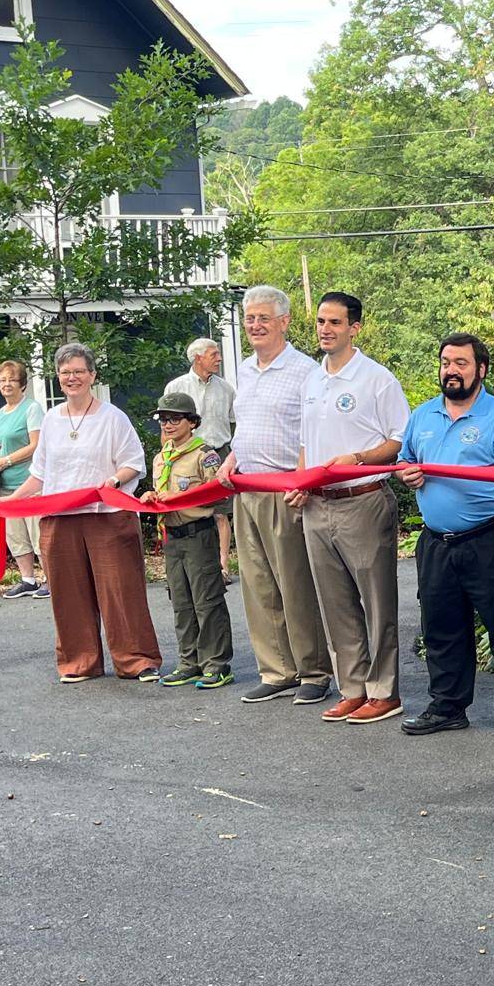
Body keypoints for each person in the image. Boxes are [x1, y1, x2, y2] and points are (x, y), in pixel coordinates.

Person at [396, 332, 494, 740]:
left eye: (461, 363)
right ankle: (447, 706)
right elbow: (406, 461)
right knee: (441, 627)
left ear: (481, 369)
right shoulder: (423, 416)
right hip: (436, 541)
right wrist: (408, 475)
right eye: (446, 362)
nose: (451, 370)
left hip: (487, 537)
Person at [3, 343, 162, 683]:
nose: (72, 377)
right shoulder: (51, 420)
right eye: (65, 373)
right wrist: (11, 500)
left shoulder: (113, 417)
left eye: (78, 371)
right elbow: (40, 474)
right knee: (68, 594)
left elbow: (134, 463)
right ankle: (79, 661)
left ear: (92, 375)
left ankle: (136, 659)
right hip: (61, 520)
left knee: (120, 591)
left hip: (107, 515)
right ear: (58, 379)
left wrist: (113, 480)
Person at [289, 292, 410, 725]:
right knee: (335, 604)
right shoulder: (311, 379)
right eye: (321, 321)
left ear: (354, 328)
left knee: (376, 601)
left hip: (363, 500)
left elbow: (400, 441)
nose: (325, 329)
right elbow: (305, 442)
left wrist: (358, 459)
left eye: (335, 322)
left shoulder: (377, 379)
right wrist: (301, 482)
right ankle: (353, 688)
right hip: (318, 507)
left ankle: (384, 691)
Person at [217, 284, 333, 707]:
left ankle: (314, 671)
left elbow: (316, 432)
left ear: (284, 321)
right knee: (258, 585)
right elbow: (246, 429)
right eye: (250, 318)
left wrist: (305, 479)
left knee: (295, 584)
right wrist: (232, 458)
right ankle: (277, 670)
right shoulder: (244, 370)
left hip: (287, 490)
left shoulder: (307, 371)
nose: (255, 325)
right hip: (246, 489)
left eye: (264, 317)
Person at [140, 391, 233, 689]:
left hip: (198, 535)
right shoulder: (160, 458)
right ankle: (189, 661)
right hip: (172, 538)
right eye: (162, 419)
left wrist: (179, 499)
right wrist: (151, 498)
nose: (167, 425)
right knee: (181, 601)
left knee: (207, 601)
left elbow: (217, 496)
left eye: (174, 419)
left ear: (191, 422)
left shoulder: (204, 455)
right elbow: (163, 494)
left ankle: (216, 664)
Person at [166, 337, 237, 581]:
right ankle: (189, 566)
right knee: (189, 510)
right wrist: (166, 458)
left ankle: (222, 566)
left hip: (220, 453)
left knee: (220, 513)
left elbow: (233, 422)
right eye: (213, 354)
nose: (219, 358)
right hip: (187, 455)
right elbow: (166, 429)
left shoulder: (227, 389)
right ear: (198, 358)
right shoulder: (176, 387)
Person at [0, 359, 47, 599]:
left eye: (11, 379)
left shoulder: (31, 408)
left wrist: (7, 460)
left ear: (22, 383)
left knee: (39, 535)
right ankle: (27, 580)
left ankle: (49, 580)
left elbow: (36, 445)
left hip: (30, 484)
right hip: (6, 487)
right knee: (16, 536)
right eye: (2, 380)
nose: (6, 384)